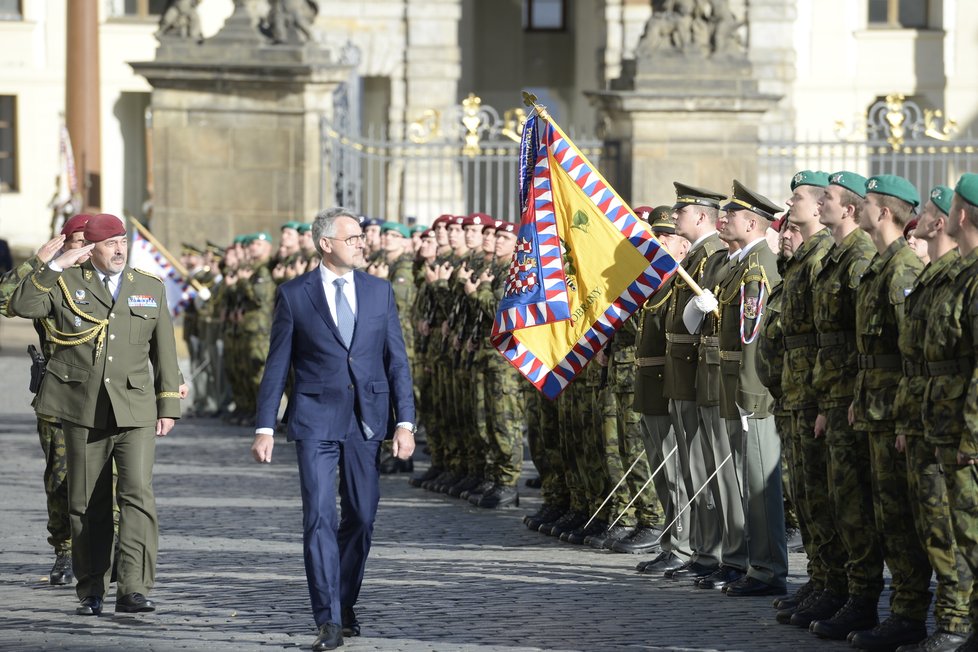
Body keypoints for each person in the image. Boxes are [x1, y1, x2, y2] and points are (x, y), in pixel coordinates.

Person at [251, 207, 416, 652]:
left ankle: (344, 599)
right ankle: (328, 618)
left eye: (362, 238)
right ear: (326, 244)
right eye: (353, 238)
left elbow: (396, 361)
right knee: (319, 517)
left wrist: (405, 422)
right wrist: (265, 426)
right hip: (314, 419)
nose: (362, 244)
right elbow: (277, 365)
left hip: (366, 420)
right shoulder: (294, 295)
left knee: (362, 516)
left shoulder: (380, 292)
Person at [8, 212, 182, 616]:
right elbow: (21, 304)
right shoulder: (67, 282)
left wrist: (168, 404)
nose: (119, 249)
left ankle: (134, 588)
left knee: (137, 495)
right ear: (91, 249)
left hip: (135, 408)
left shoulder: (148, 287)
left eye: (122, 241)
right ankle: (92, 589)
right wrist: (52, 267)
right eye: (110, 244)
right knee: (87, 502)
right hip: (81, 408)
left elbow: (164, 351)